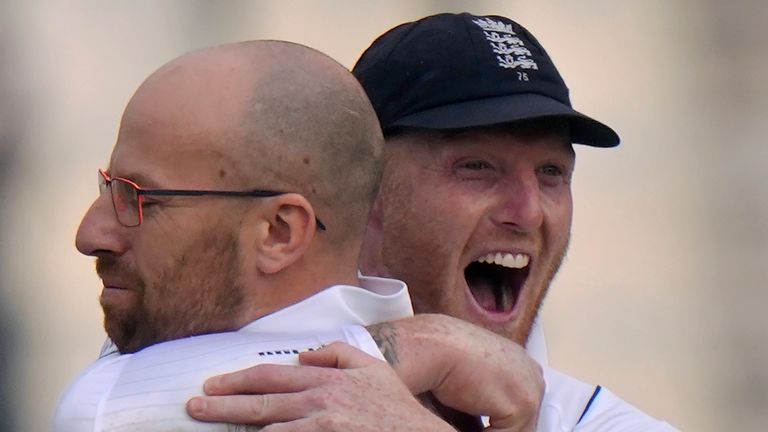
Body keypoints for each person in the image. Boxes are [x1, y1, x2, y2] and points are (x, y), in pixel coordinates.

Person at [186, 13, 679, 431]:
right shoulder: (203, 377)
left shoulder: (602, 422)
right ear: (364, 185)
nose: (528, 213)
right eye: (477, 167)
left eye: (551, 173)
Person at [55, 38, 543, 432]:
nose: (90, 234)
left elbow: (110, 405)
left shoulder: (122, 405)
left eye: (141, 200)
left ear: (279, 233)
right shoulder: (497, 391)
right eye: (109, 188)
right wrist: (403, 343)